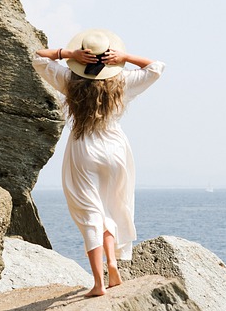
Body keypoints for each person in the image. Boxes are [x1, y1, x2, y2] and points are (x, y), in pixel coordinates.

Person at [32, 28, 165, 297]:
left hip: (84, 149)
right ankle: (112, 264)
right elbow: (156, 67)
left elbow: (38, 58)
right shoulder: (123, 82)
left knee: (89, 213)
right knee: (110, 207)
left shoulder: (69, 79)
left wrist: (67, 54)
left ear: (82, 58)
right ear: (110, 57)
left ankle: (98, 282)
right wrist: (124, 57)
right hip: (115, 149)